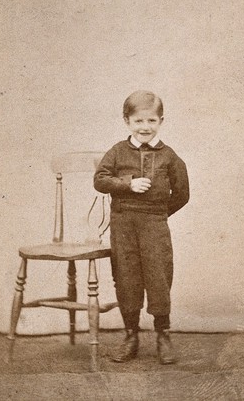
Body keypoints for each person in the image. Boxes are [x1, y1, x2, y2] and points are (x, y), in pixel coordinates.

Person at [94, 90, 189, 364]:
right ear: (127, 121)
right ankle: (130, 335)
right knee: (126, 277)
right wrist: (127, 184)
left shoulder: (170, 157)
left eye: (151, 120)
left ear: (161, 121)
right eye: (138, 121)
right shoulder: (117, 151)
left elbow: (182, 194)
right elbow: (100, 180)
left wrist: (158, 214)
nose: (145, 127)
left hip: (154, 225)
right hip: (122, 224)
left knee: (158, 276)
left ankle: (163, 335)